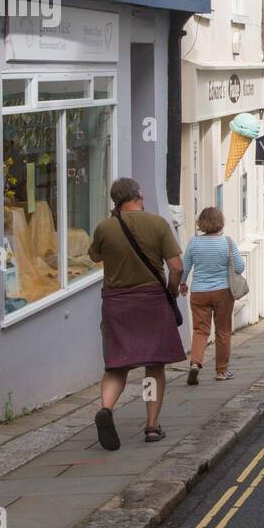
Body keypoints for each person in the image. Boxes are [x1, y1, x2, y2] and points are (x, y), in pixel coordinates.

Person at [88, 177, 186, 448]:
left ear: (115, 202)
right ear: (139, 196)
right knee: (153, 365)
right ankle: (152, 426)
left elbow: (94, 257)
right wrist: (172, 290)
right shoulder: (157, 224)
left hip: (116, 304)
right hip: (151, 302)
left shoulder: (105, 227)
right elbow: (176, 267)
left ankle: (106, 409)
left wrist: (112, 222)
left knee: (116, 365)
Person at [179, 206, 246, 385]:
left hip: (199, 292)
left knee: (200, 330)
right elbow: (239, 268)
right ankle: (221, 371)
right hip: (223, 292)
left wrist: (183, 283)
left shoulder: (193, 242)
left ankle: (195, 363)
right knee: (223, 331)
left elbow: (185, 268)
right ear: (220, 222)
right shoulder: (228, 243)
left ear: (201, 223)